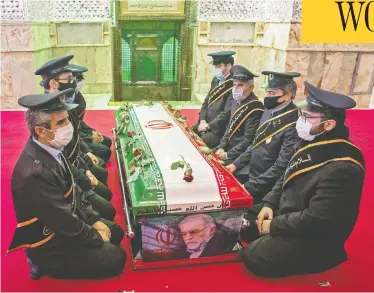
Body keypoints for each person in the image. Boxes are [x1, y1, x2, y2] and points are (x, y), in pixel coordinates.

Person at [240, 81, 366, 278]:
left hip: (316, 238)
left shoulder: (344, 167)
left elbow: (317, 219)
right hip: (290, 212)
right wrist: (269, 204)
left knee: (253, 256)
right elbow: (286, 175)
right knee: (241, 219)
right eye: (301, 115)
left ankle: (317, 257)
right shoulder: (312, 139)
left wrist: (274, 225)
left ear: (329, 124)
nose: (301, 121)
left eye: (307, 117)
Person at [7, 90, 126, 279]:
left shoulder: (51, 146)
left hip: (66, 219)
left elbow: (75, 191)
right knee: (117, 257)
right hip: (51, 242)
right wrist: (95, 237)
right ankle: (42, 263)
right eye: (61, 122)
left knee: (116, 233)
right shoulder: (35, 174)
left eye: (67, 120)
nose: (69, 126)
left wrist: (94, 219)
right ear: (40, 130)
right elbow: (63, 221)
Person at [35, 56, 113, 204]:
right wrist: (84, 173)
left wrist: (87, 150)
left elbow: (76, 131)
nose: (74, 83)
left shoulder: (65, 103)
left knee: (102, 174)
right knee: (103, 184)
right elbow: (60, 159)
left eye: (74, 78)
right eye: (69, 78)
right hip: (68, 174)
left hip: (76, 159)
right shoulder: (47, 113)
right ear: (53, 83)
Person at [225, 71, 301, 203]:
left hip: (267, 186)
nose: (267, 96)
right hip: (252, 173)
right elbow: (255, 143)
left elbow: (280, 166)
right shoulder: (268, 111)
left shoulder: (293, 122)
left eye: (272, 93)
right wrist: (236, 164)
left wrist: (250, 186)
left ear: (287, 95)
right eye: (267, 92)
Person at [214, 65, 264, 163]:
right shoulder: (236, 100)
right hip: (228, 149)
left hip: (240, 156)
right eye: (234, 84)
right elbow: (229, 127)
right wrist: (222, 147)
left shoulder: (255, 108)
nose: (235, 88)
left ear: (251, 87)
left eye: (240, 85)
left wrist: (228, 154)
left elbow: (248, 140)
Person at [193, 51, 235, 149]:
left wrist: (208, 126)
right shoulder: (216, 80)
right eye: (215, 66)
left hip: (218, 130)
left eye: (219, 66)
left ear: (228, 66)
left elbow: (226, 113)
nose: (216, 69)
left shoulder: (233, 84)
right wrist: (202, 120)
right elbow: (206, 102)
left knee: (199, 144)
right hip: (205, 123)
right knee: (188, 133)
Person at [70, 64, 112, 162]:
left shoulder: (77, 95)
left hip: (81, 132)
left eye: (80, 80)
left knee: (107, 141)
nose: (79, 83)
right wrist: (89, 138)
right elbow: (72, 131)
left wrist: (91, 132)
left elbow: (79, 122)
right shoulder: (67, 99)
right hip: (74, 139)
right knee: (105, 152)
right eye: (77, 80)